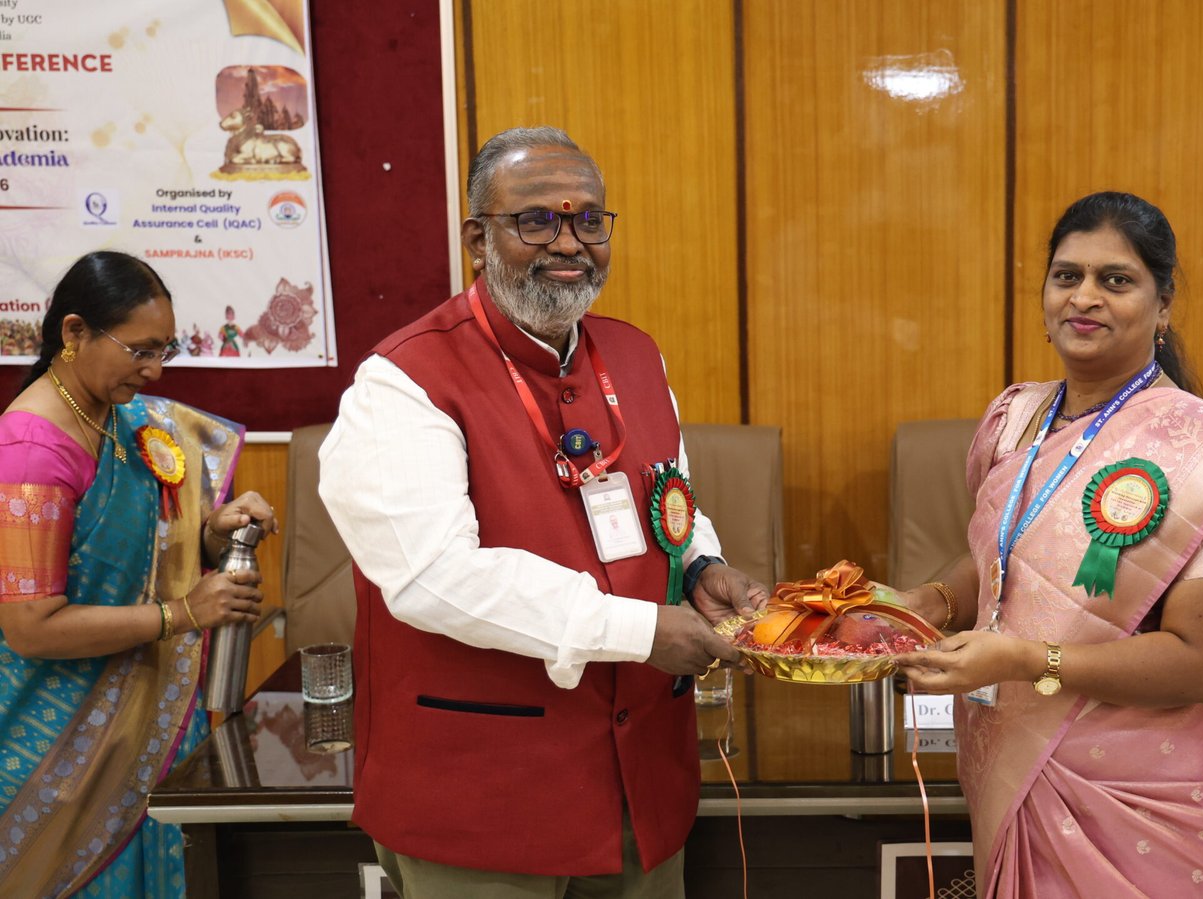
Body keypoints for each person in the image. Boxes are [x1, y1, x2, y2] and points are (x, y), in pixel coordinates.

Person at [318, 126, 766, 897]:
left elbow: (669, 501)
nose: (568, 242)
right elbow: (432, 576)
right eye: (536, 220)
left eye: (589, 220)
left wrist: (702, 567)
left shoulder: (635, 355)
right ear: (476, 239)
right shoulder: (402, 380)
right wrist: (640, 631)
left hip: (641, 784)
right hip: (483, 803)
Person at [893, 192, 1203, 897]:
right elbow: (1007, 557)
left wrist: (1026, 659)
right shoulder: (1014, 420)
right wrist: (929, 600)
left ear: (1162, 305)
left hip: (1142, 801)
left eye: (1115, 280)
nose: (1084, 297)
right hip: (1012, 773)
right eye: (1067, 276)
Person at [0, 251, 272, 897]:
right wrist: (184, 614)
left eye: (164, 350)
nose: (155, 370)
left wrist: (213, 531)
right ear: (74, 332)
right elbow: (31, 627)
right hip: (59, 752)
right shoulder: (32, 452)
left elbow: (148, 548)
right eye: (140, 351)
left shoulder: (123, 419)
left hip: (148, 730)